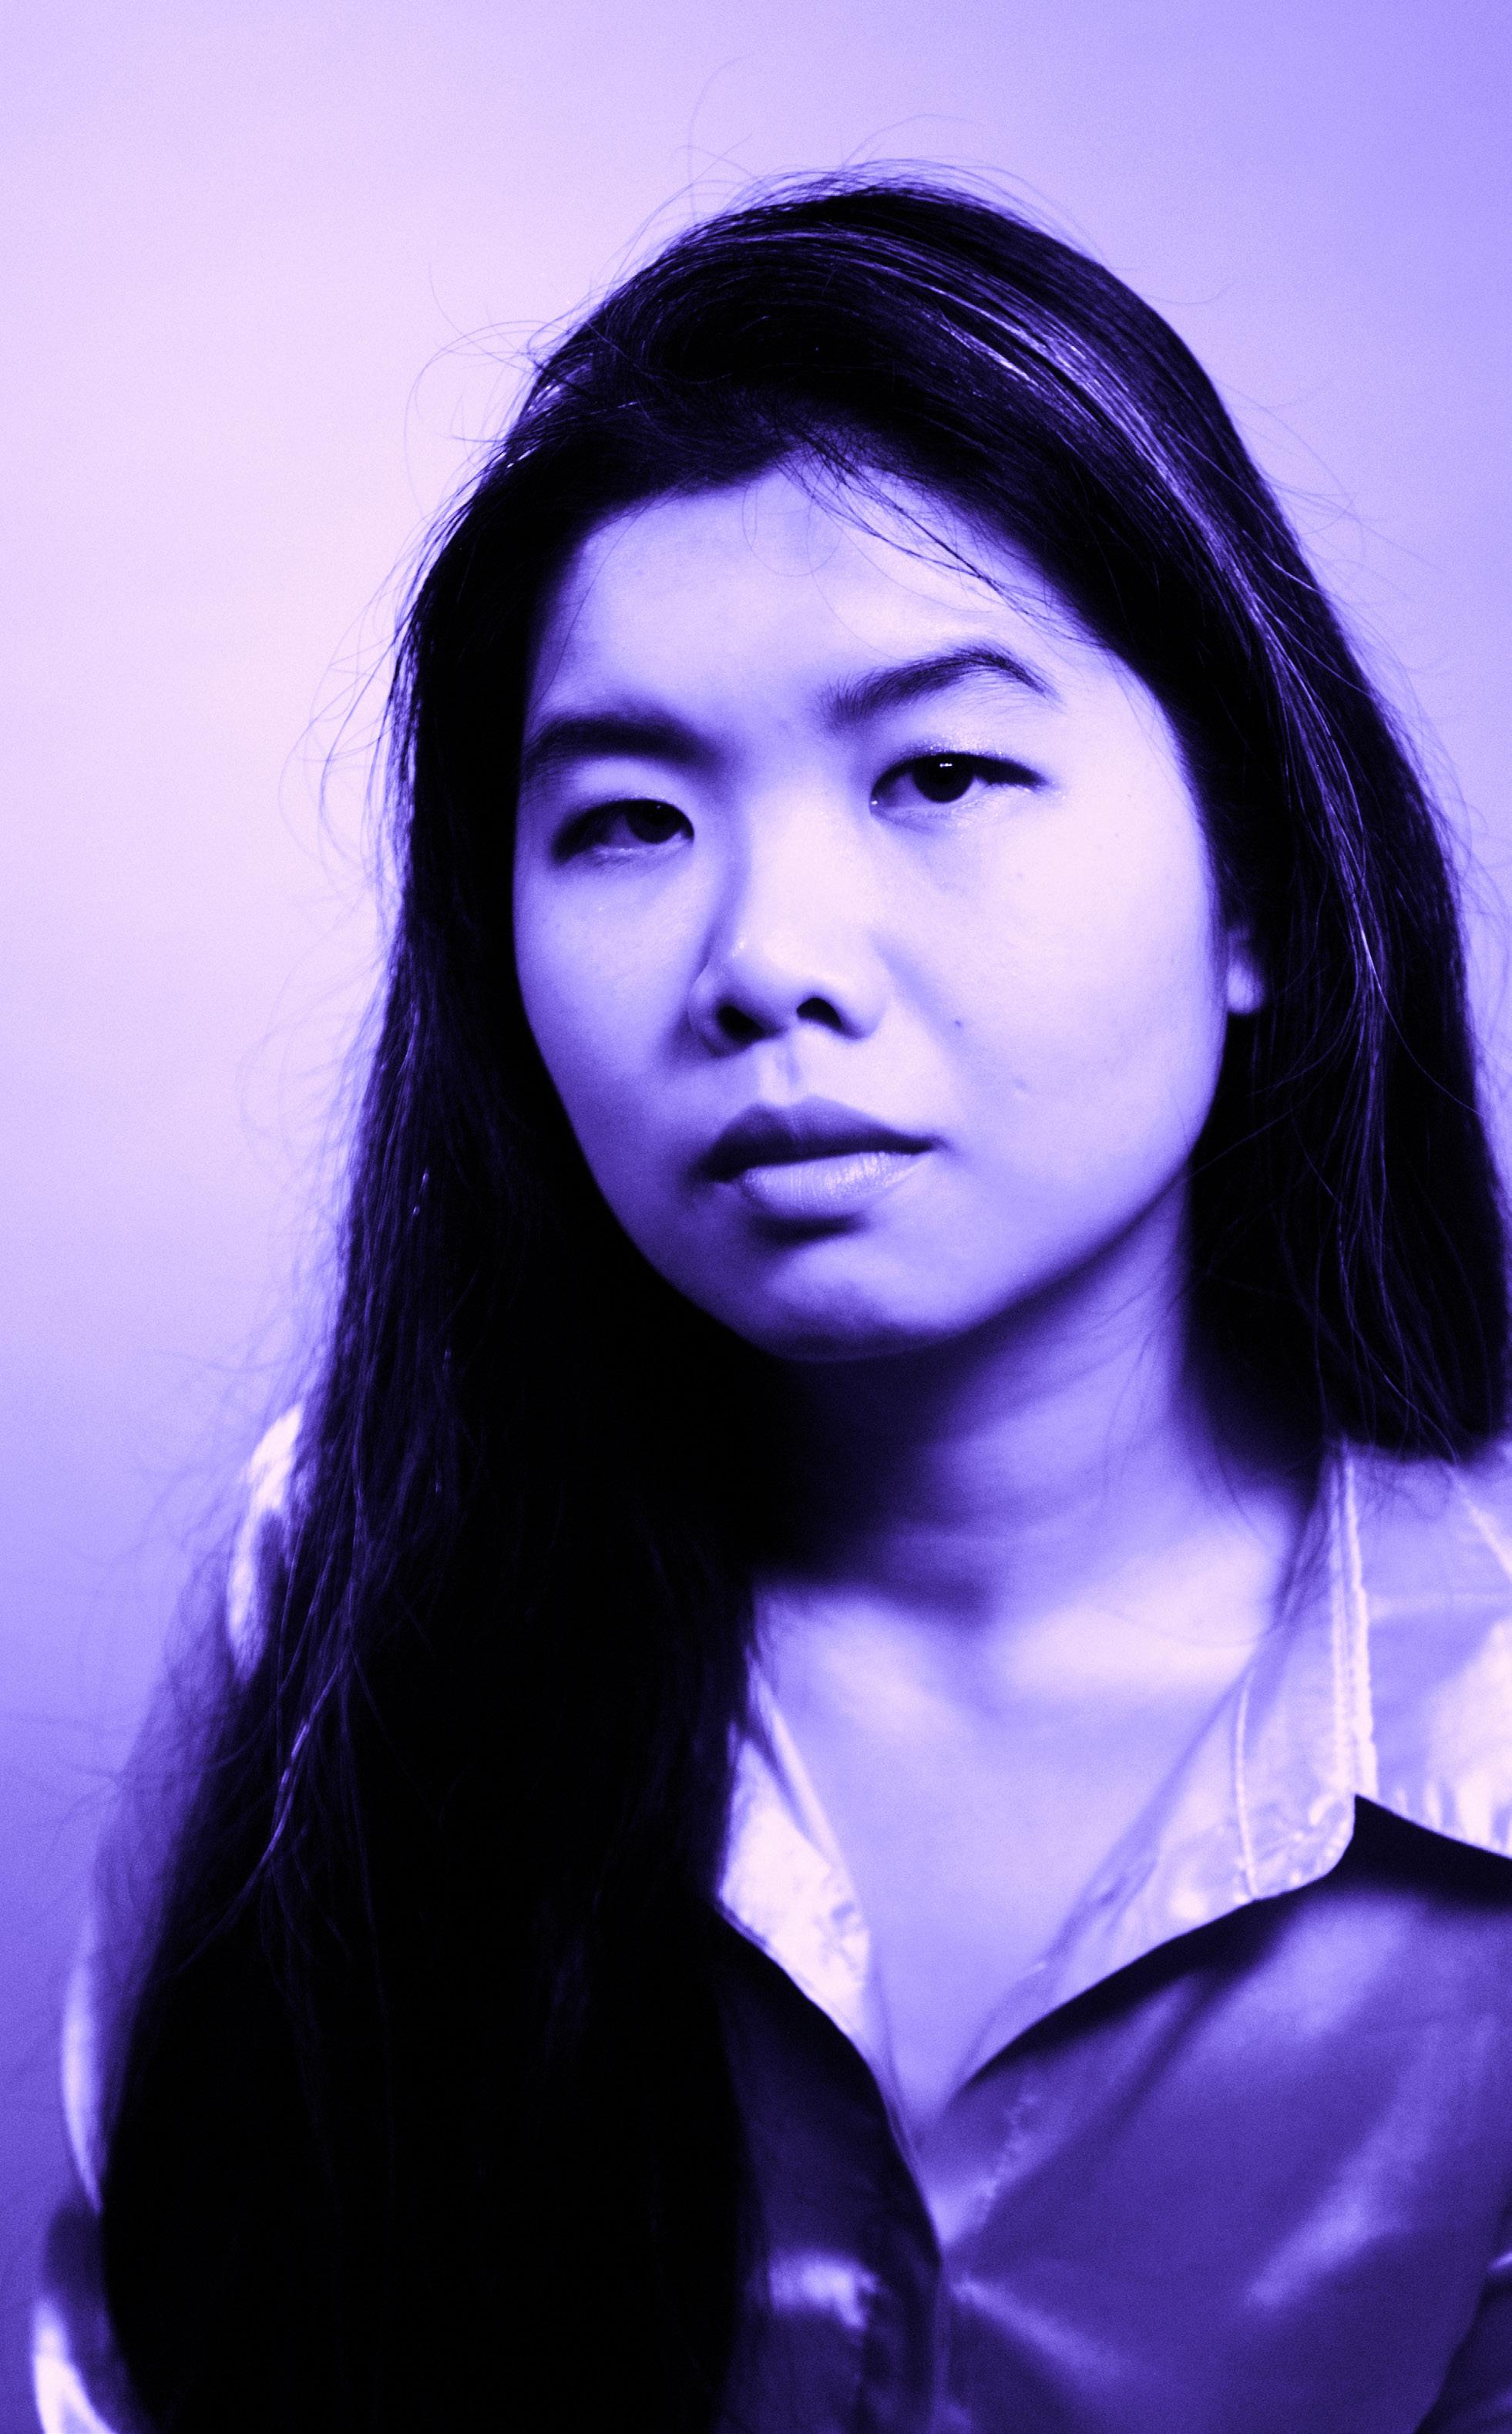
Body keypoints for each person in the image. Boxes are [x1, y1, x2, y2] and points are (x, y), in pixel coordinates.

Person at [33, 173, 1512, 2434]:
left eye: (941, 773)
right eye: (629, 821)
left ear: (1262, 892)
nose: (764, 963)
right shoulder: (350, 1574)